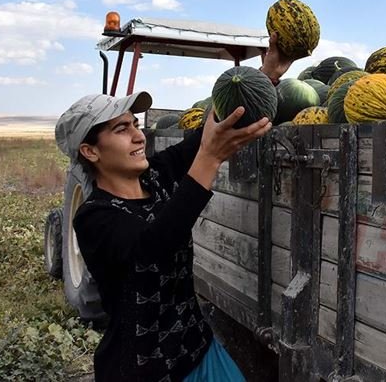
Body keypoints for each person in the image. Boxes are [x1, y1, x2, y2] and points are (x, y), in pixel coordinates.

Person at [54, 35, 292, 382]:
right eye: (122, 129)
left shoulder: (154, 177)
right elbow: (154, 245)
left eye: (135, 124)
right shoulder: (94, 218)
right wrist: (210, 158)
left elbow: (205, 135)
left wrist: (264, 77)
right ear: (90, 151)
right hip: (148, 372)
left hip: (201, 349)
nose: (139, 136)